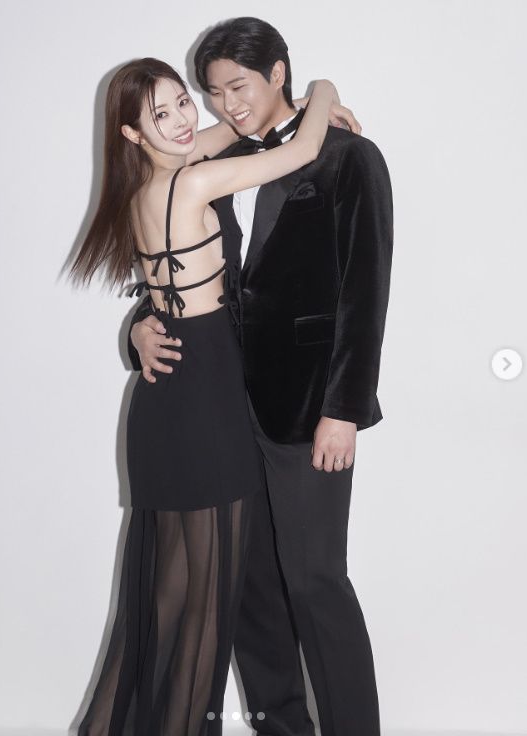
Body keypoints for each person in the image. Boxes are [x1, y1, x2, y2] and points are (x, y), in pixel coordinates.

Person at [129, 17, 394, 736]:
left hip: (307, 410)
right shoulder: (212, 163)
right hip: (217, 408)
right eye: (213, 93)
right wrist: (139, 327)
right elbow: (187, 278)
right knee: (248, 589)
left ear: (278, 73)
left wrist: (343, 409)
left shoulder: (347, 157)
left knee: (314, 580)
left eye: (237, 87)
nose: (226, 105)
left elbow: (364, 294)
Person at [69, 56, 340, 736]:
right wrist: (321, 90)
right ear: (132, 134)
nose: (183, 120)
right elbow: (301, 150)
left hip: (168, 405)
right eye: (160, 115)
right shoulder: (192, 184)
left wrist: (268, 113)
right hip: (204, 406)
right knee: (204, 613)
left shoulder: (153, 184)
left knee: (165, 605)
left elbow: (232, 132)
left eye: (182, 102)